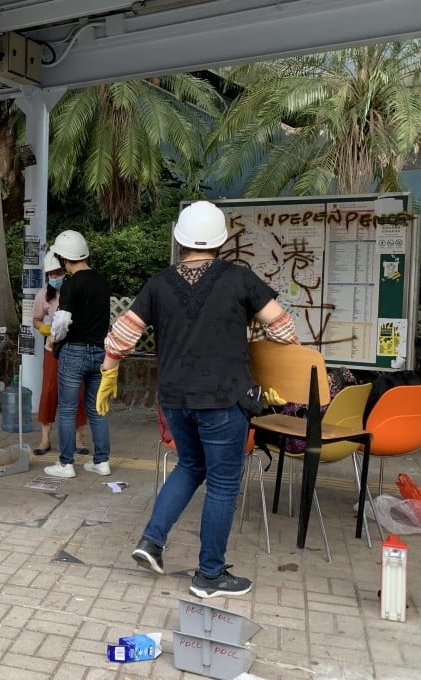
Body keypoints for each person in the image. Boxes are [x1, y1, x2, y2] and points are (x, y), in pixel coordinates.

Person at [98, 200, 299, 599]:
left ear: (179, 239)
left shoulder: (158, 283)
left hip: (174, 399)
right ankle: (209, 574)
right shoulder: (240, 279)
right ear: (222, 241)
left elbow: (120, 337)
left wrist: (108, 374)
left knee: (190, 465)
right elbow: (282, 327)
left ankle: (152, 542)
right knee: (223, 484)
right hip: (224, 400)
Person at [45, 229, 112, 479]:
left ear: (64, 258)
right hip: (99, 352)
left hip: (74, 353)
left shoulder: (72, 283)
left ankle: (65, 464)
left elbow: (62, 321)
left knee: (67, 409)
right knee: (97, 409)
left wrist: (54, 339)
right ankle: (102, 461)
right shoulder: (101, 281)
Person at [32, 251, 88, 457]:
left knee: (78, 391)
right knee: (49, 390)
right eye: (50, 274)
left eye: (57, 273)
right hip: (52, 349)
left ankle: (78, 439)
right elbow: (36, 319)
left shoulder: (75, 290)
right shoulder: (43, 295)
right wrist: (45, 329)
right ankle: (45, 439)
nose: (54, 278)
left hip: (75, 347)